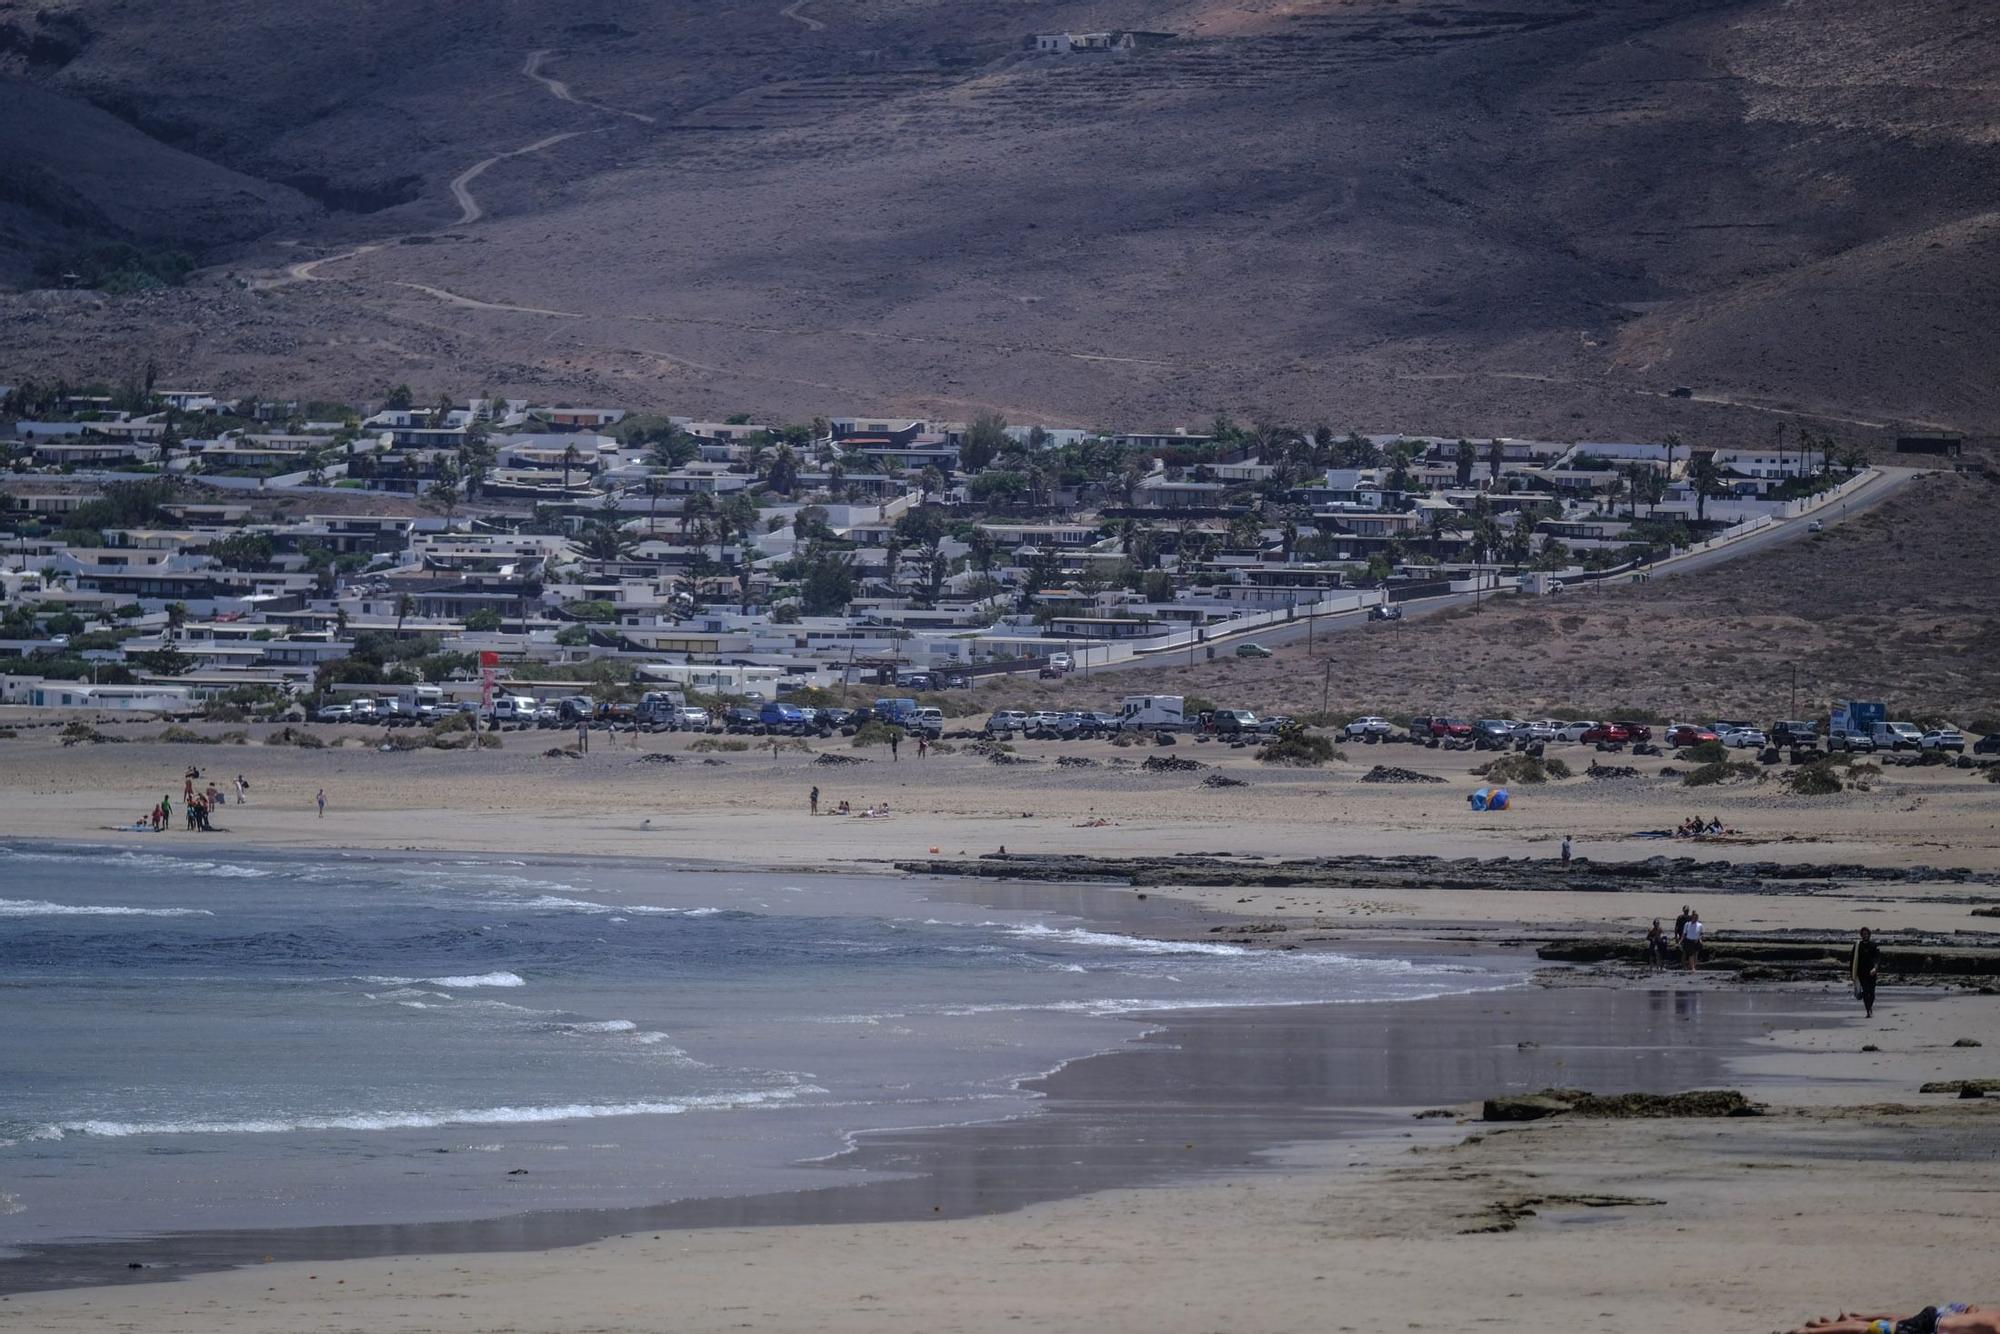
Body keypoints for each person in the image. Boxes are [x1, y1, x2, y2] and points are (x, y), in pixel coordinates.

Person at [1786, 1304, 1995, 1334]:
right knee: (1872, 1330)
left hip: (1935, 1318)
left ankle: (1820, 1327)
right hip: (1931, 1325)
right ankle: (1811, 1331)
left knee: (1888, 1321)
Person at [1851, 926, 1881, 1018]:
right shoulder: (1857, 946)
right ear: (1861, 935)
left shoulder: (1874, 945)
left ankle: (1870, 1007)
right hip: (1861, 973)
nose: (1865, 935)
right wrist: (1852, 975)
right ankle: (1868, 1010)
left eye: (1867, 934)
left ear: (1869, 935)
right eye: (1863, 934)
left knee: (1871, 993)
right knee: (1865, 992)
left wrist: (1875, 968)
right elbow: (1853, 961)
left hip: (1872, 973)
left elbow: (1878, 958)